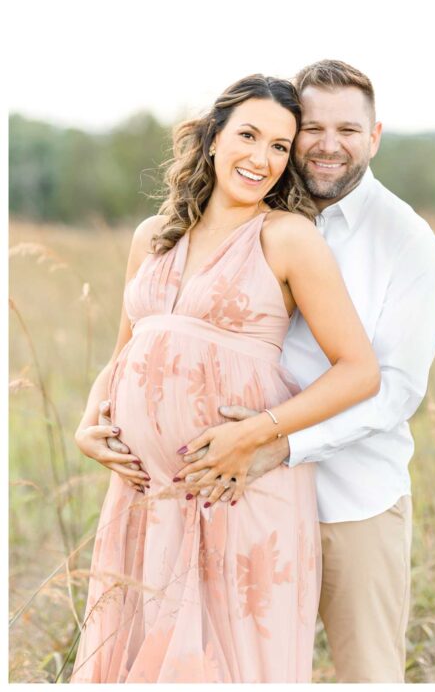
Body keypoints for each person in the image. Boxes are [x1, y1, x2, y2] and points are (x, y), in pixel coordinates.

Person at [117, 60, 435, 682]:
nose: (326, 144)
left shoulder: (404, 238)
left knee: (365, 675)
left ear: (374, 137)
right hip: (221, 493)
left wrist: (276, 444)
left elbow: (395, 386)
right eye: (310, 128)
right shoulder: (242, 217)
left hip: (351, 499)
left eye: (348, 129)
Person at [70, 74, 381, 682]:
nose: (262, 158)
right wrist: (90, 417)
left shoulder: (286, 237)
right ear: (213, 138)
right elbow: (124, 351)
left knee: (224, 666)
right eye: (248, 135)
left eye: (279, 147)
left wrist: (257, 433)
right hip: (146, 493)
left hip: (234, 490)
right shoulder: (153, 237)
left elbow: (360, 370)